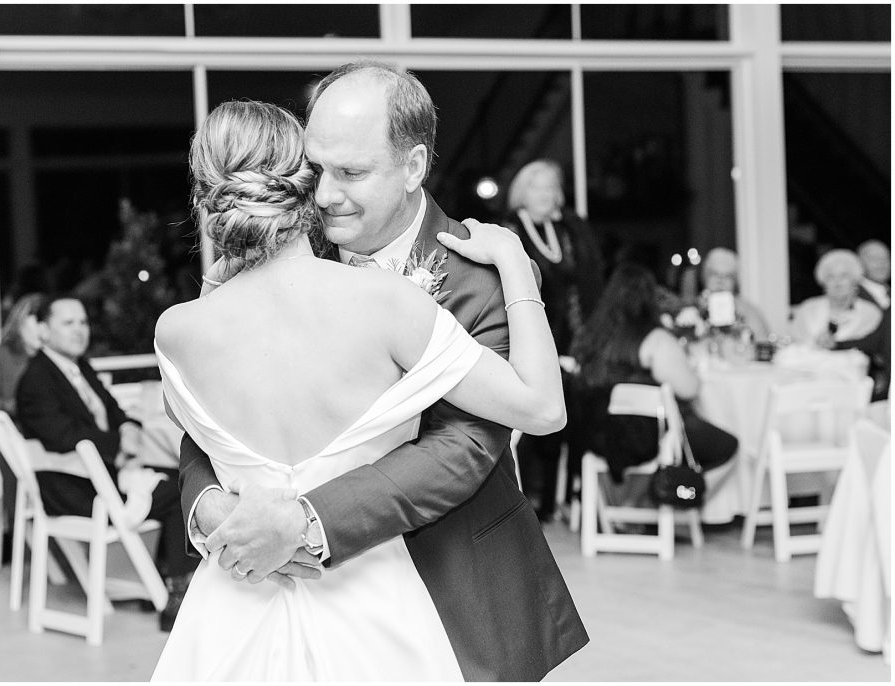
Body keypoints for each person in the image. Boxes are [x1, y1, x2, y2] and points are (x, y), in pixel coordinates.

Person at [161, 65, 587, 681]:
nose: (326, 195)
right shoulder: (278, 248)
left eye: (352, 173)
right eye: (315, 170)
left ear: (413, 167)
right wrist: (208, 505)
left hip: (447, 582)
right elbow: (210, 419)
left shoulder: (479, 270)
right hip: (270, 582)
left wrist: (305, 520)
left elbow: (466, 446)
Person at [14, 294, 198, 632]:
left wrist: (128, 426)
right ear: (42, 330)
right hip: (70, 487)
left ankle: (162, 576)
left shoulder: (79, 367)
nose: (79, 330)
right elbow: (63, 435)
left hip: (98, 476)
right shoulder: (36, 378)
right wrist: (119, 443)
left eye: (83, 322)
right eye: (68, 323)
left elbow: (114, 410)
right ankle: (176, 591)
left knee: (180, 476)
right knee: (180, 489)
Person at [570, 263, 737, 494]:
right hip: (644, 440)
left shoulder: (591, 337)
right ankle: (678, 499)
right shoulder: (654, 339)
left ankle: (636, 504)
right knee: (727, 445)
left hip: (595, 436)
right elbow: (689, 388)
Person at [503, 159, 606, 522]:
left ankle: (556, 501)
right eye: (538, 187)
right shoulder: (509, 231)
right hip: (528, 343)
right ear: (521, 192)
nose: (546, 194)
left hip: (570, 345)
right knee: (530, 423)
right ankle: (524, 503)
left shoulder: (567, 232)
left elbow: (584, 285)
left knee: (570, 416)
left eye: (551, 187)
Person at [0, 292, 44, 531]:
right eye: (38, 319)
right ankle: (25, 532)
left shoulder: (54, 360)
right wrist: (17, 404)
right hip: (12, 435)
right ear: (20, 322)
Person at [789, 249, 883, 348]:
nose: (837, 282)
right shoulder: (808, 309)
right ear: (823, 283)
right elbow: (795, 342)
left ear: (855, 281)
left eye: (844, 276)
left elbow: (872, 347)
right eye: (830, 277)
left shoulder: (870, 312)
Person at [699, 247, 772, 340]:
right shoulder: (695, 310)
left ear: (735, 282)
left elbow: (763, 341)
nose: (720, 281)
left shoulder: (748, 310)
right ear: (706, 277)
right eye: (715, 274)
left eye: (727, 276)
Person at [856, 239, 890, 310]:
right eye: (874, 258)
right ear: (859, 263)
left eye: (886, 258)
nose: (882, 263)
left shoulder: (889, 292)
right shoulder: (851, 295)